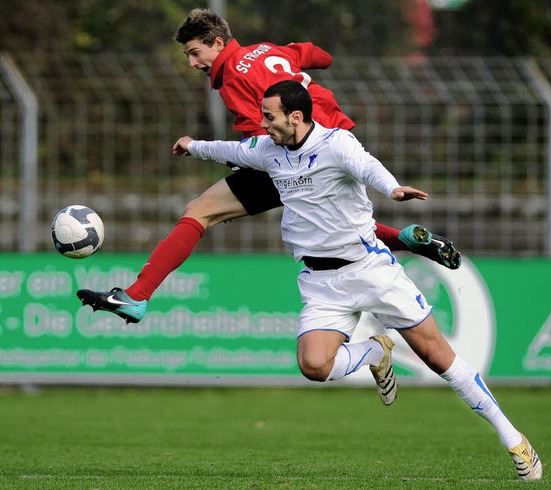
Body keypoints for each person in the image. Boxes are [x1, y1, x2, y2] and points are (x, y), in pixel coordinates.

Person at [166, 80, 542, 480]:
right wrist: (192, 145)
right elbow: (229, 149)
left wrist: (393, 188)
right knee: (314, 365)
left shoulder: (336, 144)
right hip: (320, 282)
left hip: (370, 270)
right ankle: (375, 352)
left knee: (438, 358)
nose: (263, 122)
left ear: (296, 116)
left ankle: (515, 440)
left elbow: (367, 166)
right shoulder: (268, 150)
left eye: (269, 116)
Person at [75, 8, 460, 324]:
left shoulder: (235, 78)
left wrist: (200, 147)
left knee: (199, 212)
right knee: (333, 220)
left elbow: (258, 141)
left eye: (195, 53)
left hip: (299, 150)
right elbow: (317, 54)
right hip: (335, 142)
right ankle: (407, 239)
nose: (193, 63)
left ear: (218, 43)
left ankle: (136, 296)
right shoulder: (266, 50)